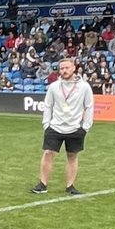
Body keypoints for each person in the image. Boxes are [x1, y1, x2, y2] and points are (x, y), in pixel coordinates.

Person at [32, 59, 93, 195]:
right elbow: (48, 105)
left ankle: (70, 186)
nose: (64, 71)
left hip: (76, 128)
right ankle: (43, 184)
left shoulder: (84, 87)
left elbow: (89, 106)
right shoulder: (54, 86)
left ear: (73, 68)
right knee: (48, 153)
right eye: (62, 68)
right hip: (55, 127)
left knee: (72, 156)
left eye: (67, 68)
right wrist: (46, 124)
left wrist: (86, 127)